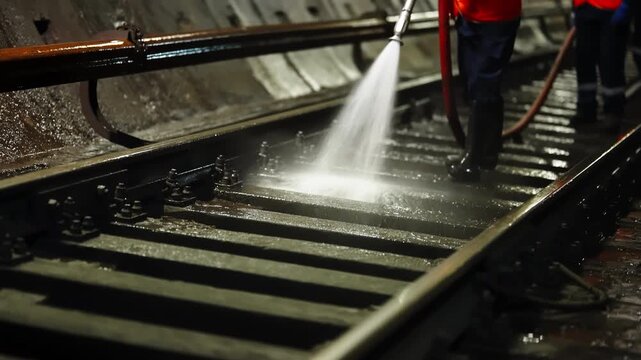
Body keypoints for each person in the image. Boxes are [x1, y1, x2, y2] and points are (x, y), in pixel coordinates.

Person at [447, 0, 522, 182]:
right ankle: (488, 152)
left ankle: (472, 160)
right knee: (472, 82)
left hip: (496, 17)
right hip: (466, 15)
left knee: (483, 81)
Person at [572, 0, 631, 130]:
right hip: (584, 7)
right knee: (584, 59)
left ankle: (613, 110)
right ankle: (586, 107)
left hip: (613, 9)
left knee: (611, 61)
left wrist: (628, 4)